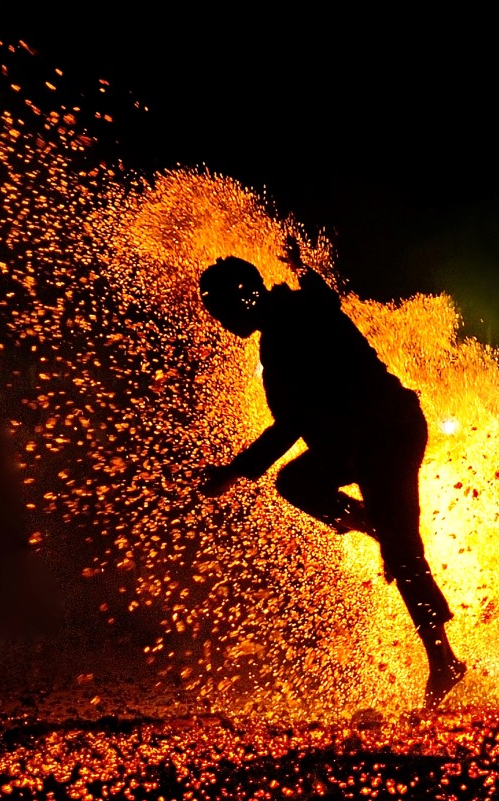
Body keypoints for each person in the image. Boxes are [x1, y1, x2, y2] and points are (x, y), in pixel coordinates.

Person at [197, 237, 467, 709]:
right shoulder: (292, 313)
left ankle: (443, 662)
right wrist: (303, 268)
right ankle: (371, 524)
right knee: (297, 482)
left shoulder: (287, 331)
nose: (221, 321)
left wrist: (234, 473)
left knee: (402, 552)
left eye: (221, 310)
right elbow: (324, 297)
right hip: (361, 441)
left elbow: (290, 425)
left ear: (244, 296)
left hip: (384, 437)